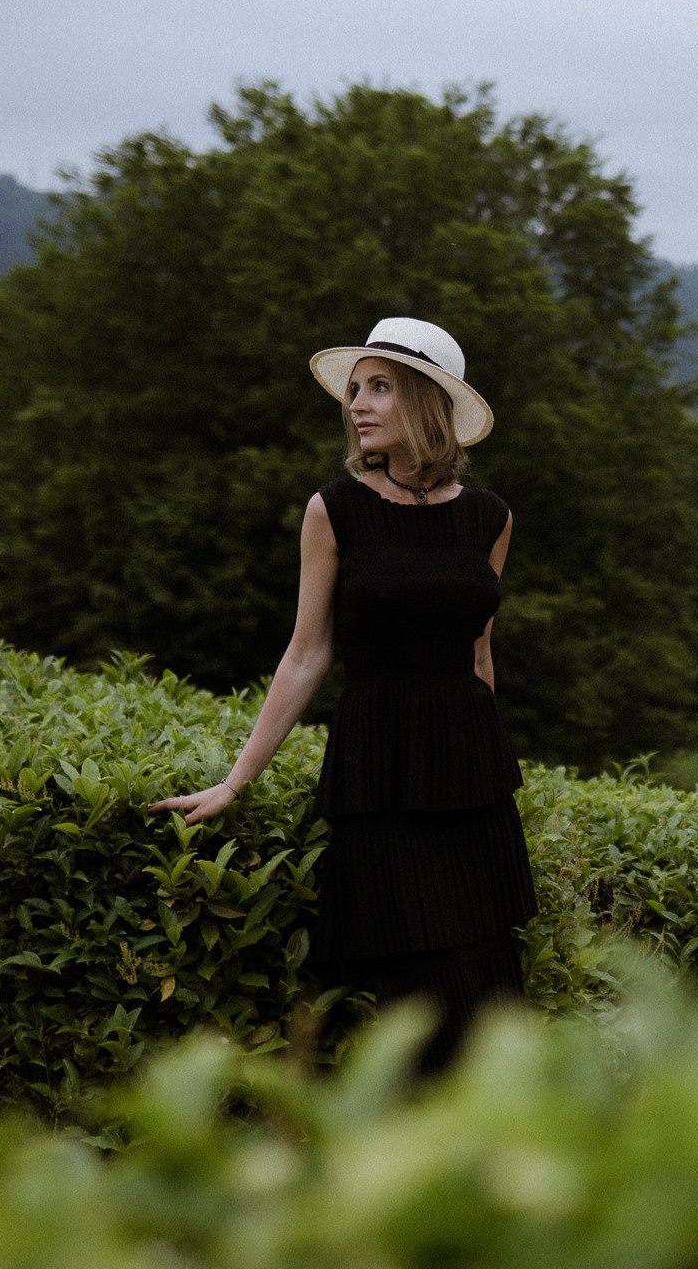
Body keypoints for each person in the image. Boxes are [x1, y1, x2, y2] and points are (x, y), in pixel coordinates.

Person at [150, 317, 537, 1073]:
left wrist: (495, 767)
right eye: (356, 389)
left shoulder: (490, 516)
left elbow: (481, 652)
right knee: (417, 989)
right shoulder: (336, 509)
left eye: (380, 387)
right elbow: (307, 653)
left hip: (472, 775)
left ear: (426, 401)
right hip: (381, 769)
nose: (359, 403)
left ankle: (499, 1157)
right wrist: (236, 780)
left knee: (493, 984)